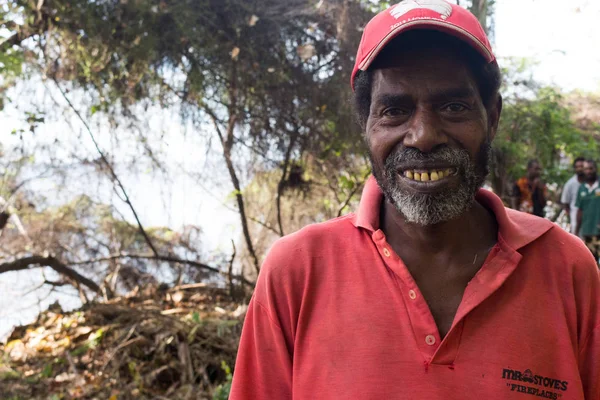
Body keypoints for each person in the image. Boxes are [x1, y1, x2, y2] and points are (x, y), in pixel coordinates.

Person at [230, 2, 600, 399]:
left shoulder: (566, 269)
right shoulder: (298, 273)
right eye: (395, 110)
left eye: (453, 106)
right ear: (366, 124)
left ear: (492, 116)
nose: (423, 135)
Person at [576, 159, 600, 260]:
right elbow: (580, 211)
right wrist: (577, 231)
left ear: (596, 169)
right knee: (591, 263)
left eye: (591, 168)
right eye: (586, 169)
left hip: (599, 231)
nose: (589, 171)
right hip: (587, 232)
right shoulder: (581, 188)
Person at [561, 157, 585, 235]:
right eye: (577, 167)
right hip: (575, 219)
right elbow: (565, 203)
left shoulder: (591, 182)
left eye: (582, 166)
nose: (580, 169)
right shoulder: (570, 184)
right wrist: (571, 215)